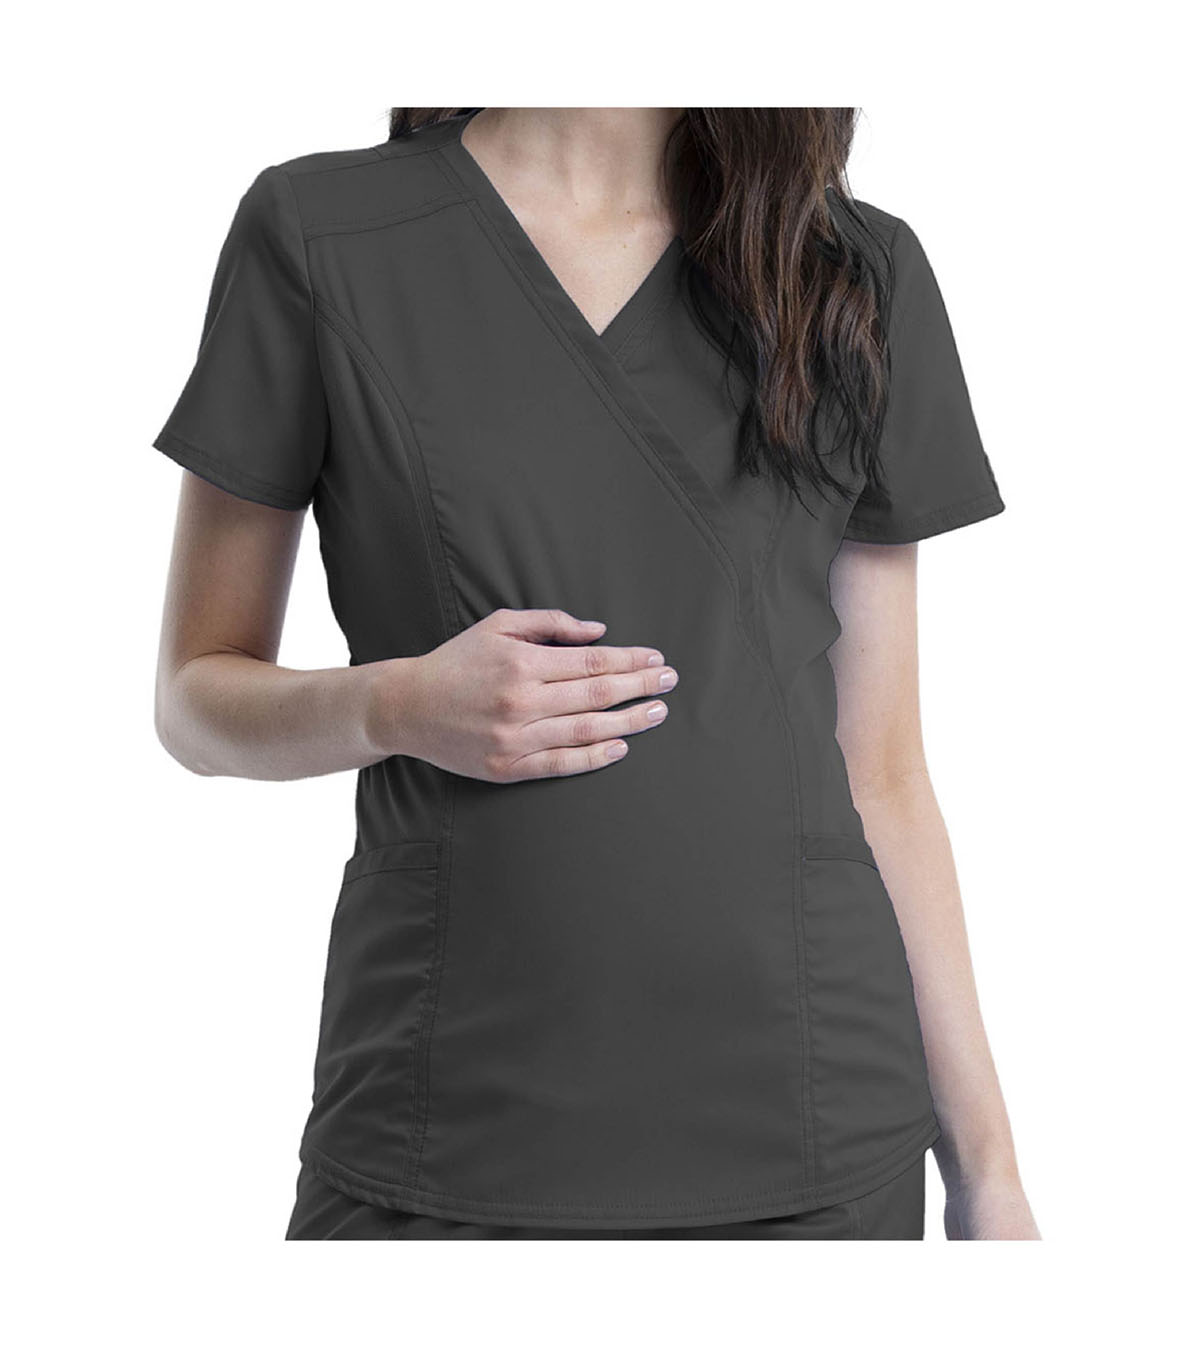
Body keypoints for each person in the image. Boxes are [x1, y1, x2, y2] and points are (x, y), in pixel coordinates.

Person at [153, 107, 1039, 1240]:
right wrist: (394, 705)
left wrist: (990, 1173)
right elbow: (195, 695)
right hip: (447, 1111)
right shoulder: (324, 233)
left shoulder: (848, 268)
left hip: (813, 1122)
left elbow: (884, 772)